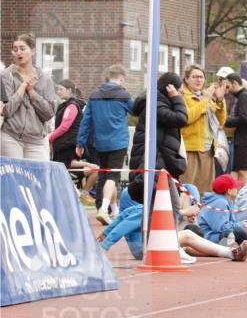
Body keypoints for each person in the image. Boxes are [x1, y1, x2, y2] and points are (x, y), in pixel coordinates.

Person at [98, 175, 247, 262]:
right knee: (188, 235)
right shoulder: (144, 212)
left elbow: (120, 218)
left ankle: (228, 251)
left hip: (146, 244)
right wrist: (104, 246)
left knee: (189, 247)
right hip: (143, 247)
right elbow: (122, 227)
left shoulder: (137, 208)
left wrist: (105, 232)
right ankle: (231, 252)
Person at [76, 64, 134, 224]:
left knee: (104, 175)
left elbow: (86, 120)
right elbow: (136, 110)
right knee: (113, 176)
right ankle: (104, 209)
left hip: (99, 142)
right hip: (118, 141)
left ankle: (112, 210)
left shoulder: (94, 95)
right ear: (121, 78)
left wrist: (80, 142)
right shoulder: (123, 94)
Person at [0, 33, 56, 160]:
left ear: (33, 51)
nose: (18, 52)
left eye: (22, 48)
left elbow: (49, 113)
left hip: (37, 141)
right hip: (10, 137)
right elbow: (6, 110)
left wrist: (32, 93)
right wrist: (22, 87)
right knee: (14, 178)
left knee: (37, 178)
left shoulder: (45, 79)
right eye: (15, 49)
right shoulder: (5, 76)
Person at [129, 72, 188, 186]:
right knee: (164, 202)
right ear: (170, 89)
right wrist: (176, 98)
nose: (181, 95)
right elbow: (181, 119)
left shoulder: (160, 103)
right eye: (180, 91)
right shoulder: (155, 105)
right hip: (155, 161)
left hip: (160, 161)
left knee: (171, 202)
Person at [181, 63, 228, 197]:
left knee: (206, 191)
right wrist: (207, 99)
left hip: (208, 149)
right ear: (186, 79)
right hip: (191, 148)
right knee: (188, 189)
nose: (199, 80)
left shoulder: (204, 96)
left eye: (201, 77)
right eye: (195, 77)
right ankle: (186, 215)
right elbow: (188, 118)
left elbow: (220, 122)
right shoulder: (183, 96)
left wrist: (220, 100)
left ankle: (201, 216)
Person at [198, 172, 247, 250]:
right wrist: (240, 225)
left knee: (238, 232)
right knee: (237, 232)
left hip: (217, 236)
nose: (237, 189)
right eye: (235, 187)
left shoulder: (227, 201)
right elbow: (219, 228)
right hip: (210, 238)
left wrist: (240, 226)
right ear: (229, 191)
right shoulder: (220, 202)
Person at [225, 73, 247, 184]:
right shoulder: (244, 95)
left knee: (243, 173)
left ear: (235, 83)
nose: (228, 90)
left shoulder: (244, 96)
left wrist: (225, 122)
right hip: (244, 140)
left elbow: (244, 118)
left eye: (228, 86)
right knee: (236, 172)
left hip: (245, 140)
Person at [49, 79, 86, 168]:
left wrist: (50, 138)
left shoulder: (71, 106)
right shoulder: (67, 105)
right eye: (58, 89)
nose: (58, 92)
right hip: (65, 144)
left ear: (69, 90)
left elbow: (64, 127)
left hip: (66, 146)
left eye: (61, 89)